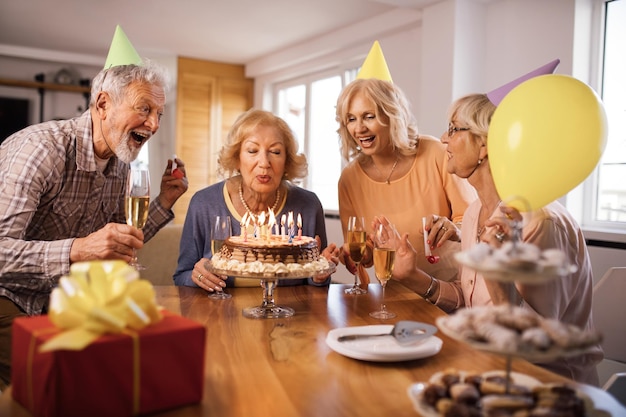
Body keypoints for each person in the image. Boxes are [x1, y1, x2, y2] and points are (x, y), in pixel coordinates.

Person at [382, 93, 603, 385]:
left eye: (452, 129)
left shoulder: (542, 223)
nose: (443, 140)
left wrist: (501, 288)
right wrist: (413, 277)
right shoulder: (474, 213)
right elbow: (473, 306)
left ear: (484, 144)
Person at [0, 60, 189, 389]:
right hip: (8, 296)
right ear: (103, 104)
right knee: (67, 382)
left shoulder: (120, 166)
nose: (155, 124)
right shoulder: (40, 151)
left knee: (143, 363)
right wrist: (78, 249)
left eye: (159, 113)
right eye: (145, 108)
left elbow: (117, 240)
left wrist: (163, 202)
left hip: (63, 298)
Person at [174, 109, 339, 291]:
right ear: (237, 158)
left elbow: (317, 286)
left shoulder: (308, 205)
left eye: (275, 152)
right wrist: (197, 276)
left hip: (287, 316)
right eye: (252, 150)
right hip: (222, 316)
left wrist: (319, 275)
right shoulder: (204, 204)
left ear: (287, 162)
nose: (264, 162)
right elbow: (181, 276)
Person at [336, 78, 477, 282]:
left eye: (369, 116)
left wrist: (453, 228)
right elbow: (365, 252)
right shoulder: (349, 179)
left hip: (452, 288)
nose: (359, 129)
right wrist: (357, 253)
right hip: (395, 292)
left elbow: (473, 221)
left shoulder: (436, 153)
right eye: (351, 119)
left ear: (392, 115)